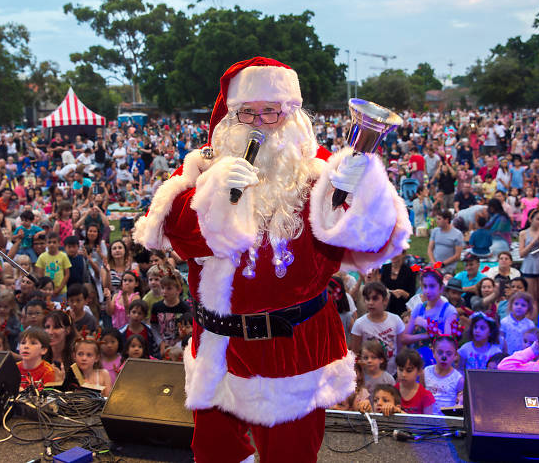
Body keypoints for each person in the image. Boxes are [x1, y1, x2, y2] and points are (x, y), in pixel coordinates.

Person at [133, 57, 411, 462]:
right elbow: (176, 232)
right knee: (215, 453)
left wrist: (361, 190)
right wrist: (214, 194)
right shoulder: (204, 166)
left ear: (292, 113)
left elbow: (375, 244)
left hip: (292, 346)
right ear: (233, 114)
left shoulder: (322, 171)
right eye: (249, 111)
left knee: (290, 455)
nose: (260, 121)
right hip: (219, 346)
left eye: (271, 111)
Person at [402, 267, 459, 366]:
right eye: (425, 286)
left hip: (440, 364)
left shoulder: (449, 311)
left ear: (441, 288)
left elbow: (447, 344)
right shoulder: (419, 309)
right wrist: (424, 336)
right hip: (419, 363)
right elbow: (404, 338)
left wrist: (426, 325)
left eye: (432, 286)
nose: (427, 291)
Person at [350, 281, 404, 375]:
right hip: (369, 375)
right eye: (367, 299)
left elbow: (401, 349)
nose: (370, 303)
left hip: (392, 373)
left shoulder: (396, 320)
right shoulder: (359, 324)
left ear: (385, 300)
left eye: (375, 299)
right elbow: (355, 354)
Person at [518, 208, 539, 310]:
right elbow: (522, 253)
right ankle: (531, 319)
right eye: (538, 219)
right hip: (529, 266)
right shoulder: (523, 234)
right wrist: (534, 240)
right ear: (531, 219)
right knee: (531, 296)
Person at [423, 335, 463, 412]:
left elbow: (460, 405)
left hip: (448, 422)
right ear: (433, 352)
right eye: (440, 352)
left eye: (449, 354)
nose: (444, 357)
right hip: (427, 419)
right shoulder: (426, 372)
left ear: (455, 355)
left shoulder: (458, 379)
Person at [394, 349, 438, 415]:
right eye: (400, 370)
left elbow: (428, 423)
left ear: (419, 371)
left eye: (409, 370)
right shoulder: (392, 391)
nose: (403, 374)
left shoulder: (426, 396)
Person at [17, 327, 57, 391]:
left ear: (43, 350)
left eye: (33, 343)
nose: (26, 346)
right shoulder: (14, 368)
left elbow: (46, 397)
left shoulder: (48, 371)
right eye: (23, 343)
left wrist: (23, 392)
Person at [35, 232, 71, 299]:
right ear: (46, 244)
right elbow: (40, 275)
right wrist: (45, 289)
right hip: (46, 292)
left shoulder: (63, 256)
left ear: (59, 244)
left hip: (61, 292)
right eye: (49, 242)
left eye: (54, 242)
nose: (52, 244)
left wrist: (59, 289)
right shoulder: (42, 257)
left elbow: (67, 274)